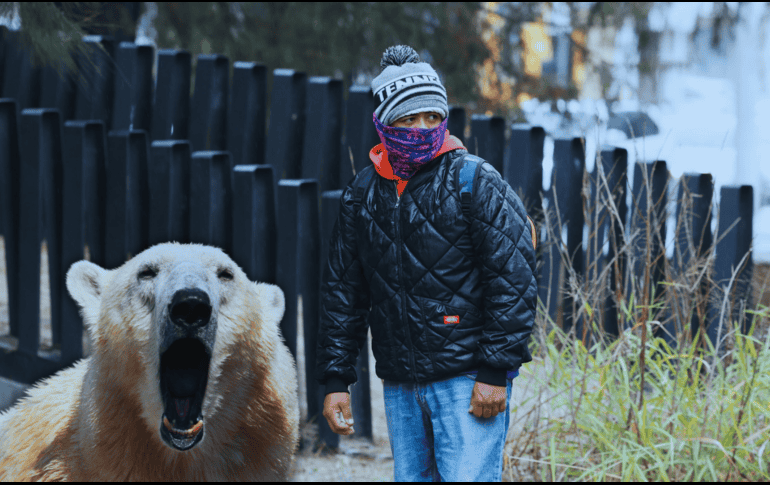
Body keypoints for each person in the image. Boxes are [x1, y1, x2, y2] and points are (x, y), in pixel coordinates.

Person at [316, 45, 537, 482]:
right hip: (401, 385)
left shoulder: (474, 180)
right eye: (408, 119)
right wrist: (335, 380)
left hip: (467, 379)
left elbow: (513, 281)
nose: (422, 128)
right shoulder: (362, 193)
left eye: (432, 117)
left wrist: (495, 370)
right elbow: (343, 292)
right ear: (384, 123)